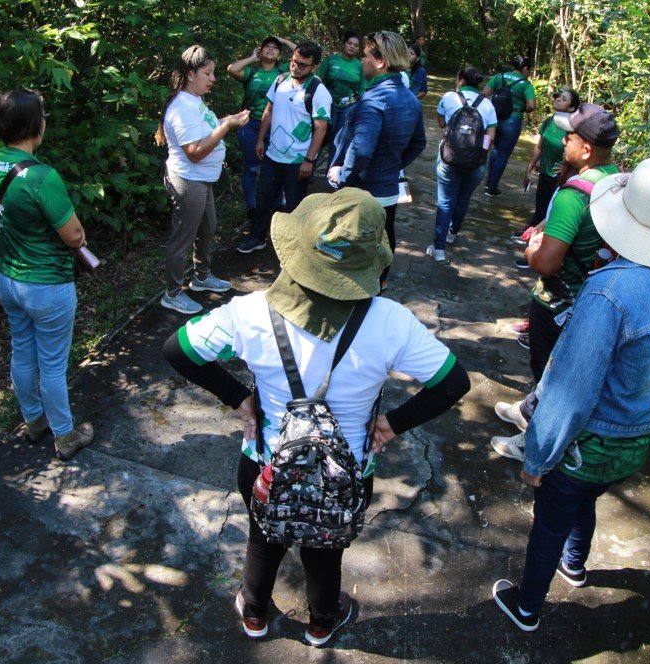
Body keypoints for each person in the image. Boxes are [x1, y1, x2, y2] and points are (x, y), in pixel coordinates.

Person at [162, 188, 470, 647]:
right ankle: (322, 623)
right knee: (325, 550)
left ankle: (254, 615)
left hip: (265, 462)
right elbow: (453, 383)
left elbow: (178, 350)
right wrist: (391, 424)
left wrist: (238, 398)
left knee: (263, 539)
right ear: (371, 263)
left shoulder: (250, 312)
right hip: (347, 471)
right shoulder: (392, 321)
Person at [492, 157, 650, 633]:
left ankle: (527, 607)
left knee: (552, 517)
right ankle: (575, 565)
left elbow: (572, 388)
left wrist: (538, 453)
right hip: (641, 436)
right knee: (587, 497)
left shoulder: (609, 290)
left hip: (589, 441)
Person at [491, 104, 620, 460]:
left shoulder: (573, 194)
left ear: (586, 149)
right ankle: (529, 410)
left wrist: (533, 248)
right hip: (593, 297)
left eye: (570, 137)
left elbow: (547, 263)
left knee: (550, 372)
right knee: (562, 370)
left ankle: (535, 441)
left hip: (557, 303)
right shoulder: (615, 181)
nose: (563, 141)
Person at [0, 89, 93, 460]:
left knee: (22, 352)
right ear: (34, 125)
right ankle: (65, 435)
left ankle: (34, 421)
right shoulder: (42, 176)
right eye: (42, 116)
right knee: (53, 364)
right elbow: (74, 235)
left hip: (8, 280)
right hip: (46, 286)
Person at [327, 31, 427, 289]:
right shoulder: (410, 99)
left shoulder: (374, 100)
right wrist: (393, 165)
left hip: (364, 189)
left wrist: (342, 174)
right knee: (385, 232)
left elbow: (361, 150)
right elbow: (419, 143)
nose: (362, 60)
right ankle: (381, 281)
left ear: (380, 61)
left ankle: (355, 291)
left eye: (365, 56)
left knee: (354, 241)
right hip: (388, 188)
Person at [156, 45, 250, 315]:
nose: (213, 78)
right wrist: (227, 126)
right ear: (190, 74)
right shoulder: (182, 107)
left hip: (202, 179)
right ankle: (172, 294)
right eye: (207, 73)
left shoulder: (194, 101)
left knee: (208, 228)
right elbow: (195, 152)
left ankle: (201, 276)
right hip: (189, 180)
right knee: (183, 238)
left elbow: (205, 128)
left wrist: (227, 119)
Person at [236, 41, 332, 255]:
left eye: (302, 64)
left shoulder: (318, 91)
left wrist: (309, 159)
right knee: (264, 198)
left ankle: (295, 246)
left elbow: (321, 127)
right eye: (293, 61)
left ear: (315, 66)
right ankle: (257, 237)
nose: (295, 66)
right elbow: (268, 111)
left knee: (295, 205)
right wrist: (260, 140)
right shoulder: (280, 80)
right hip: (273, 154)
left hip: (298, 160)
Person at [426, 66, 498, 263]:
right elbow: (490, 138)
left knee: (445, 202)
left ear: (460, 80)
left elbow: (441, 123)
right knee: (463, 199)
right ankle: (452, 233)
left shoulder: (449, 97)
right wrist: (478, 154)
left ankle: (439, 249)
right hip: (475, 164)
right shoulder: (488, 105)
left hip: (448, 158)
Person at [227, 36, 297, 218]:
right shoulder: (251, 73)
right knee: (251, 168)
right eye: (267, 46)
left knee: (277, 165)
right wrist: (252, 58)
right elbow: (232, 69)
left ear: (279, 55)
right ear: (261, 51)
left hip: (276, 127)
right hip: (250, 126)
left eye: (275, 47)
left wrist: (285, 41)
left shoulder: (283, 72)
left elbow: (302, 55)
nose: (271, 49)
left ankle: (277, 204)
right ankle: (252, 206)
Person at [511, 87, 581, 244]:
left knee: (550, 210)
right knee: (541, 207)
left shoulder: (573, 129)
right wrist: (529, 168)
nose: (558, 99)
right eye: (559, 96)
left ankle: (539, 239)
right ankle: (531, 233)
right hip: (544, 171)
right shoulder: (549, 121)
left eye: (564, 99)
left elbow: (578, 152)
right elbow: (539, 146)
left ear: (571, 108)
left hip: (561, 177)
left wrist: (568, 168)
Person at [481, 56, 537, 196]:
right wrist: (521, 108)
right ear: (525, 69)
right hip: (512, 120)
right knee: (503, 154)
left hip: (494, 118)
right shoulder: (526, 84)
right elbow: (531, 106)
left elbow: (484, 94)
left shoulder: (498, 77)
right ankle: (492, 188)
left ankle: (488, 181)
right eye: (529, 70)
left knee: (494, 150)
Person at [316, 30, 365, 148]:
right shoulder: (331, 60)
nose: (352, 47)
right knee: (321, 136)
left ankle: (333, 160)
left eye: (356, 45)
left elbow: (363, 88)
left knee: (338, 141)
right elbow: (317, 80)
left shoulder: (360, 66)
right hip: (327, 105)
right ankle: (313, 158)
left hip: (348, 107)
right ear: (344, 44)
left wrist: (358, 106)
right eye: (349, 43)